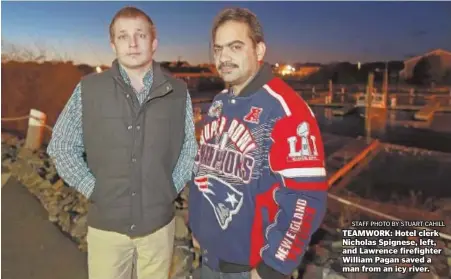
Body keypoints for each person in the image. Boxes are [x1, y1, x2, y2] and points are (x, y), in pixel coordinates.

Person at [47, 6, 197, 279]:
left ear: (154, 43)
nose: (132, 43)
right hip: (107, 228)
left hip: (159, 227)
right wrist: (94, 189)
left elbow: (189, 149)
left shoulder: (178, 92)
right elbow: (61, 146)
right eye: (123, 35)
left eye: (140, 35)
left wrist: (168, 190)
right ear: (113, 44)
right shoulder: (89, 89)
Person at [188, 7, 328, 279]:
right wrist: (198, 226)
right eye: (218, 49)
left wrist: (273, 267)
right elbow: (204, 170)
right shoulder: (218, 103)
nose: (224, 57)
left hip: (249, 269)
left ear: (259, 50)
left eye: (235, 47)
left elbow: (307, 198)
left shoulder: (286, 111)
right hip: (209, 260)